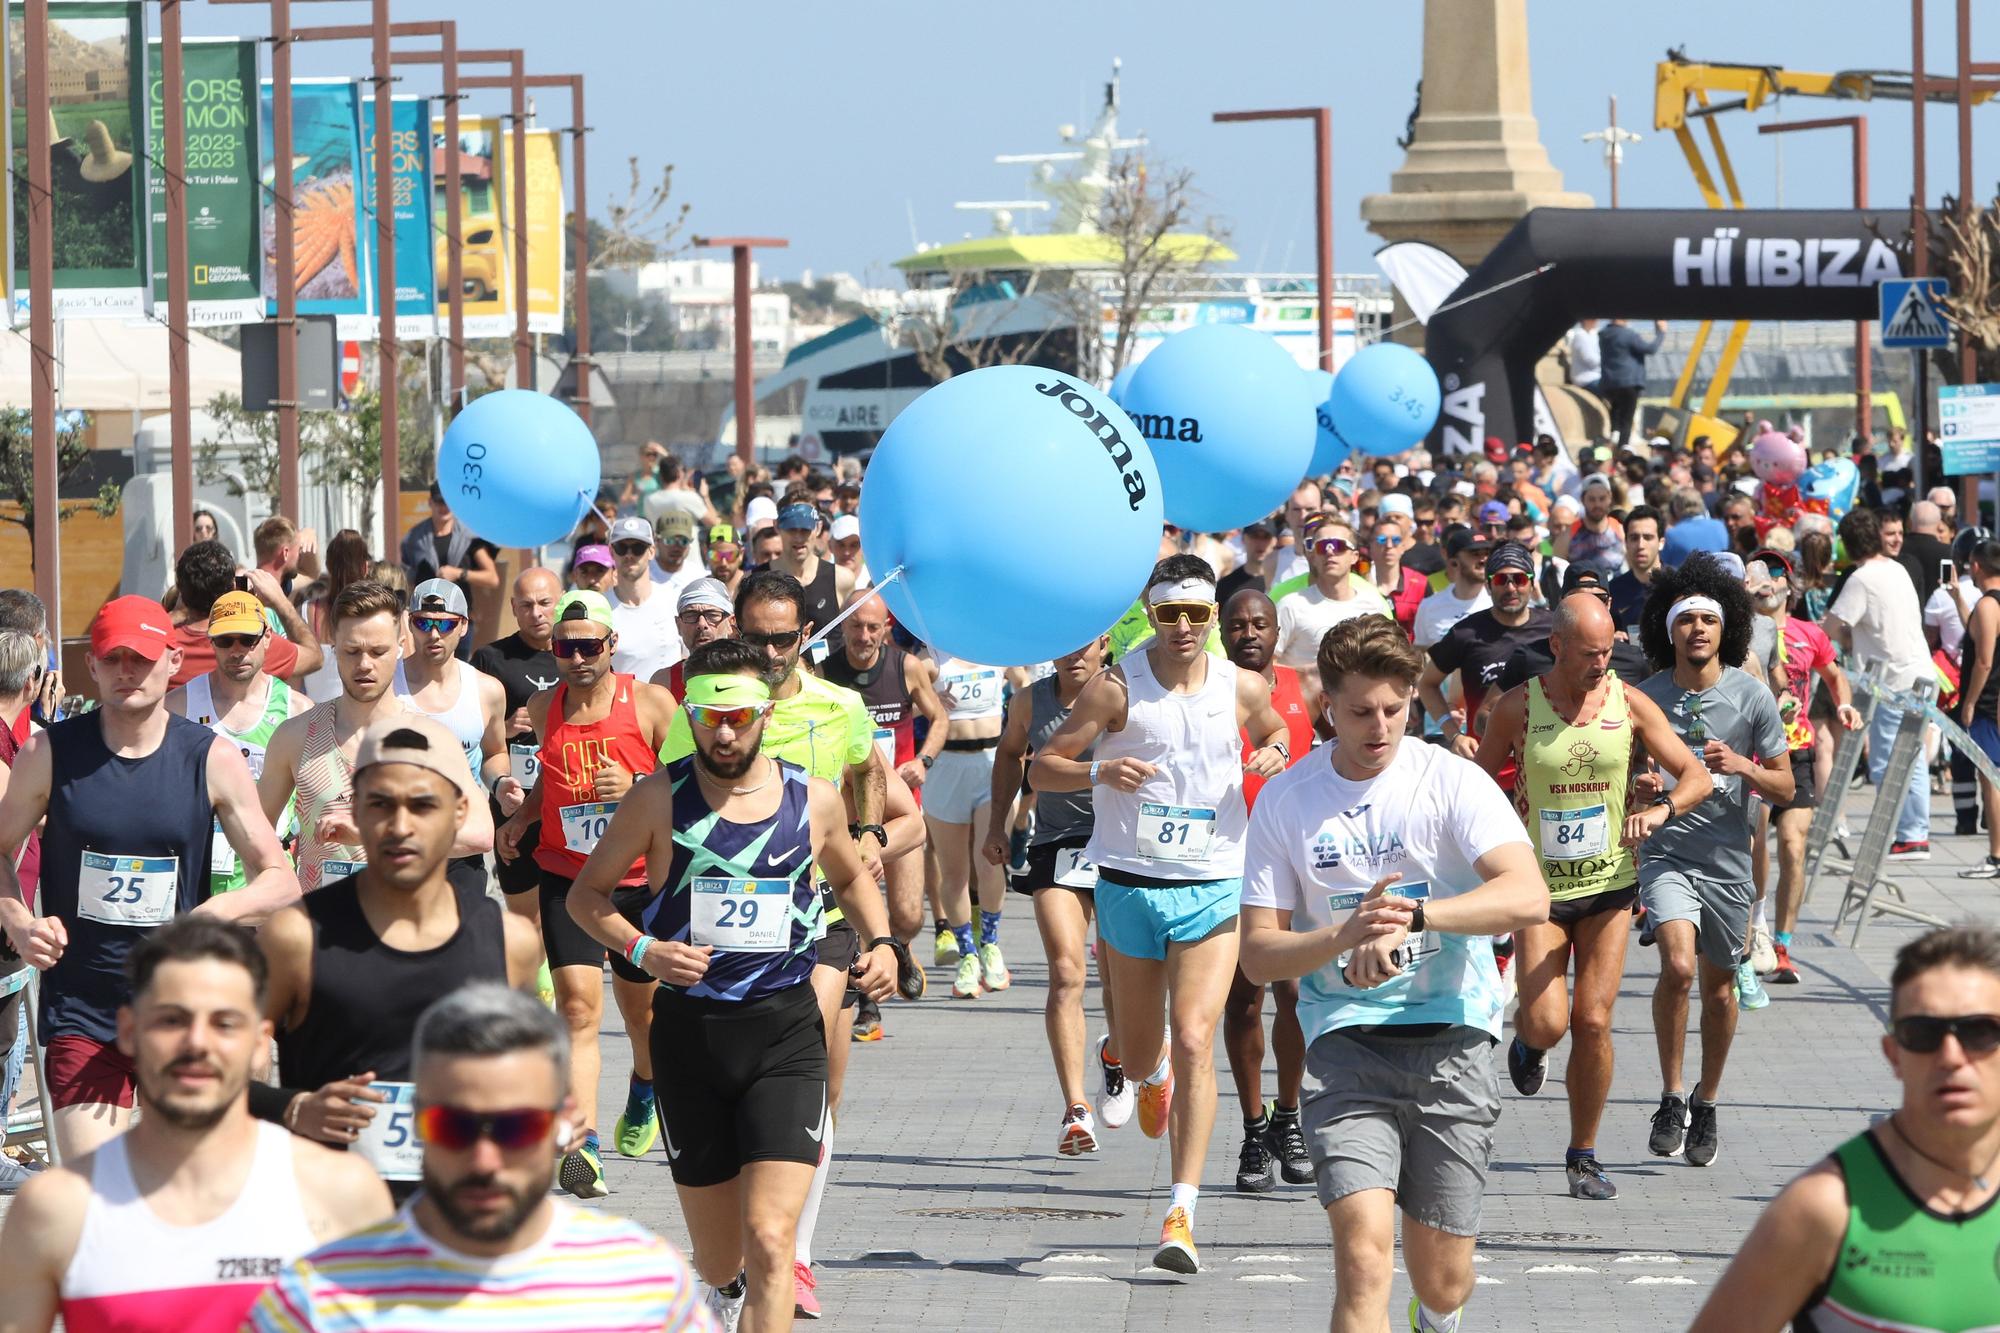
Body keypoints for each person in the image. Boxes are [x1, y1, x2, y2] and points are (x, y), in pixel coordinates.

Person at [569, 639, 898, 1333]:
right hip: (689, 1039)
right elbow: (586, 897)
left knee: (774, 1242)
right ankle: (725, 1288)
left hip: (785, 1032)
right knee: (721, 1260)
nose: (724, 732)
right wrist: (645, 948)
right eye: (709, 717)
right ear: (691, 711)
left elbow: (847, 878)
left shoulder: (814, 799)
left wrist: (886, 941)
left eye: (739, 717)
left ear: (767, 710)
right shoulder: (658, 797)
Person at [1239, 616, 1550, 1333]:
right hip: (1346, 1045)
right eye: (1359, 712)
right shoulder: (1289, 799)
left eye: (1394, 709)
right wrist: (1341, 935)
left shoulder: (1450, 780)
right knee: (1362, 1258)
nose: (1379, 726)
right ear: (1327, 706)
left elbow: (1528, 894)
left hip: (1452, 1040)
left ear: (1412, 697)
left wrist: (1417, 918)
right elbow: (1257, 953)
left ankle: (1435, 1314)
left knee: (1443, 1278)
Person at [1030, 554, 1291, 1274]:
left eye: (1196, 614)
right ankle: (1128, 1061)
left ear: (1212, 617)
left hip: (1213, 883)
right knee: (1149, 1054)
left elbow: (1277, 730)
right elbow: (1041, 764)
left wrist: (1271, 751)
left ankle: (1182, 1210)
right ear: (1149, 613)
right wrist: (1096, 770)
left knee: (1196, 1035)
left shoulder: (1241, 684)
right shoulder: (1117, 689)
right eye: (1169, 613)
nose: (1183, 627)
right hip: (1129, 883)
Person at [654, 573, 891, 1320]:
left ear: (805, 635)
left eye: (783, 639)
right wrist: (645, 940)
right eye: (754, 637)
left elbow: (866, 772)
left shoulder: (840, 704)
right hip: (709, 971)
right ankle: (739, 1262)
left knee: (810, 1043)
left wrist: (870, 837)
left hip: (814, 919)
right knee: (724, 1250)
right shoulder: (702, 716)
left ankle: (792, 1244)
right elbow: (660, 807)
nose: (770, 651)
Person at [0, 597, 300, 1157]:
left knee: (187, 1188)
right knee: (100, 1191)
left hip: (183, 1007)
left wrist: (214, 914)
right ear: (91, 666)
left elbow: (280, 880)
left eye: (139, 658)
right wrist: (16, 917)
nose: (125, 672)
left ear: (170, 661)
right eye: (111, 658)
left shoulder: (210, 757)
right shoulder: (48, 752)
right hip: (84, 1009)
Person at [0, 916, 392, 1333]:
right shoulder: (56, 1209)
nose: (197, 1044)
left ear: (261, 1042)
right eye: (172, 1020)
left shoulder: (342, 1193)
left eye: (224, 1023)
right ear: (129, 1031)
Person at [249, 984, 715, 1333]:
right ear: (414, 1120)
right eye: (454, 1128)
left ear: (568, 1122)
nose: (485, 1160)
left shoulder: (645, 1286)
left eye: (517, 1128)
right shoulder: (318, 1299)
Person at [1475, 592, 1710, 1201]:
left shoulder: (1628, 704)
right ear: (1556, 646)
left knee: (1594, 1020)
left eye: (1607, 652)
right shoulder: (1516, 708)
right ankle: (1528, 1043)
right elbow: (1475, 793)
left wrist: (1659, 810)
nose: (1600, 664)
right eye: (1587, 654)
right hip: (1540, 889)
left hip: (1609, 884)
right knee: (1550, 1023)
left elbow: (1698, 776)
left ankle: (1583, 1155)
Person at [255, 716, 541, 1195]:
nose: (400, 826)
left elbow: (523, 1082)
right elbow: (211, 1081)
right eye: (380, 805)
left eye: (422, 805)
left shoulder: (510, 941)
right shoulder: (296, 935)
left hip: (461, 1228)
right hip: (336, 1230)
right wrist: (295, 1108)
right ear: (357, 814)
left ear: (458, 813)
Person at [1691, 926, 2000, 1333]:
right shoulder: (1823, 1208)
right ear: (1893, 1055)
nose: (1951, 1057)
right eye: (1923, 1034)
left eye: (1980, 1032)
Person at [494, 589, 675, 1200]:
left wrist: (639, 783)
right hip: (569, 877)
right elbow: (548, 773)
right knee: (576, 1007)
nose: (577, 657)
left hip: (636, 883)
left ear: (611, 646)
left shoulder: (650, 703)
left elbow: (691, 783)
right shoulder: (544, 705)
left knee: (641, 1011)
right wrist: (523, 822)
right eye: (566, 647)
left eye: (589, 645)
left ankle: (646, 1082)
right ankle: (583, 1145)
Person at [1631, 556, 1791, 1169]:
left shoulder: (1751, 696)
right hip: (1667, 854)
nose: (1697, 629)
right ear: (1667, 630)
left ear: (1726, 630)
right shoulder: (1646, 697)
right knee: (1676, 965)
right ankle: (1671, 1095)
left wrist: (1744, 767)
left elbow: (1785, 789)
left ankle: (1708, 1101)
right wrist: (1641, 794)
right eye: (1685, 620)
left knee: (1720, 993)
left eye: (1708, 619)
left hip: (1729, 860)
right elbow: (1623, 780)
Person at [260, 582, 494, 898]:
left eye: (378, 651)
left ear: (400, 646)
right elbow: (255, 833)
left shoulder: (430, 738)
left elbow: (480, 833)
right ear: (333, 646)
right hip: (324, 930)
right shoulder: (296, 735)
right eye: (352, 651)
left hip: (405, 931)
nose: (365, 664)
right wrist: (279, 892)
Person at [986, 633, 1122, 1156]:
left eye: (1086, 643)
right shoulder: (1030, 699)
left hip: (1120, 846)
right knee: (1067, 972)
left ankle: (1117, 1053)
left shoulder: (1125, 692)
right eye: (1064, 644)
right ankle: (1075, 1107)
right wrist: (998, 826)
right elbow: (1008, 757)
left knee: (1116, 975)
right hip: (1057, 844)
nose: (1075, 654)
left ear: (1105, 645)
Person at [1219, 588, 1316, 1193]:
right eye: (1237, 625)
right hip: (1229, 861)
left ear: (1278, 631)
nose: (1249, 633)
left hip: (1295, 863)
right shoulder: (1205, 689)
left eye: (1260, 624)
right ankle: (1254, 1130)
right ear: (1221, 633)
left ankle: (1290, 1119)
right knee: (1243, 1003)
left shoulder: (1303, 686)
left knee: (1297, 995)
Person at [1749, 549, 1862, 983]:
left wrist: (1845, 705)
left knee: (1794, 847)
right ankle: (1754, 927)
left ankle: (1782, 946)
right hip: (1755, 756)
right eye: (1759, 571)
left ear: (1788, 585)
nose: (1768, 579)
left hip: (1797, 752)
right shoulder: (1736, 633)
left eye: (1776, 571)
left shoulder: (1809, 633)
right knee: (1756, 846)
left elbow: (1835, 677)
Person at [823, 587, 946, 953]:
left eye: (873, 628)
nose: (864, 636)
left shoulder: (905, 666)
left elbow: (939, 718)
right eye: (856, 626)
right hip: (849, 809)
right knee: (853, 910)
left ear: (886, 626)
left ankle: (897, 947)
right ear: (843, 625)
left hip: (898, 808)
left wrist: (922, 761)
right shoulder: (824, 675)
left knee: (909, 915)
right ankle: (867, 989)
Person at [166, 591, 312, 897]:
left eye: (248, 639)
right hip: (198, 881)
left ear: (268, 637)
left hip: (268, 882)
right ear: (210, 641)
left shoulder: (296, 711)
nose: (237, 651)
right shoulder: (178, 706)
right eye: (225, 640)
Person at [393, 579, 513, 900]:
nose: (433, 634)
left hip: (462, 848)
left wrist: (500, 783)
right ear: (409, 623)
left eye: (445, 624)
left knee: (460, 944)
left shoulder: (486, 690)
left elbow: (494, 752)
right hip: (400, 844)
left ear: (463, 626)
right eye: (423, 622)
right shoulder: (387, 685)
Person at [1826, 506, 1934, 858]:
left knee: (1890, 760)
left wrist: (1845, 639)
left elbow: (1831, 627)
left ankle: (1911, 834)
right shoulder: (1896, 568)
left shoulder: (1861, 579)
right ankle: (1914, 832)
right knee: (1911, 757)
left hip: (1892, 681)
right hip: (1918, 671)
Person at [922, 646, 1013, 998]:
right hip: (947, 766)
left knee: (989, 860)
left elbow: (1030, 683)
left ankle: (990, 944)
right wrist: (929, 700)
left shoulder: (999, 651)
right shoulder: (933, 656)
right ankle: (967, 954)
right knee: (954, 871)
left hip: (991, 763)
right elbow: (907, 696)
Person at [471, 568, 563, 917]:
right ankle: (533, 970)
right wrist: (505, 729)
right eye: (526, 605)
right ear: (512, 607)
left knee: (569, 903)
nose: (536, 613)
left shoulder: (578, 654)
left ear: (561, 602)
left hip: (566, 795)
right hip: (514, 794)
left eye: (544, 603)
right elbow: (473, 729)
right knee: (525, 910)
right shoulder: (491, 658)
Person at [1420, 542, 1552, 760]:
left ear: (1531, 583)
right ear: (1488, 586)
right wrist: (1453, 735)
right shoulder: (1466, 633)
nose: (1511, 588)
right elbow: (1427, 684)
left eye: (1518, 579)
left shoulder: (1553, 628)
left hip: (1544, 765)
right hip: (1487, 765)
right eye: (1501, 580)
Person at [167, 540, 322, 688]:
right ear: (232, 586)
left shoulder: (166, 648)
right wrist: (280, 602)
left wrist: (173, 614)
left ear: (181, 590)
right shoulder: (250, 642)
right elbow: (314, 657)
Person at [1274, 519, 1389, 671]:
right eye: (1322, 546)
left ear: (1354, 556)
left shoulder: (1373, 605)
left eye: (1339, 545)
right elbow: (1268, 664)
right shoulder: (1290, 605)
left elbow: (1385, 661)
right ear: (1313, 557)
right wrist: (1309, 674)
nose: (1330, 551)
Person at [1956, 540, 2000, 879]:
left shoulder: (1988, 605)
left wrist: (1969, 703)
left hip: (1987, 703)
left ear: (1978, 566)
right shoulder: (1986, 606)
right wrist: (1957, 596)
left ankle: (1996, 855)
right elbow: (1973, 631)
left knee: (1991, 779)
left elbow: (1983, 661)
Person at [399, 481, 500, 620]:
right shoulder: (414, 538)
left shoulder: (469, 537)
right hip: (424, 616)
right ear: (430, 502)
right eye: (440, 502)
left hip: (459, 616)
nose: (444, 507)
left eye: (448, 502)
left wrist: (458, 573)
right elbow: (406, 580)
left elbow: (492, 578)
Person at [606, 516, 685, 683]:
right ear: (611, 552)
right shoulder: (601, 607)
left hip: (671, 706)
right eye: (621, 548)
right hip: (622, 706)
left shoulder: (674, 599)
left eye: (638, 548)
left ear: (651, 551)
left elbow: (688, 656)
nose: (629, 555)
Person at [772, 502, 847, 635]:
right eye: (791, 529)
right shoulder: (756, 579)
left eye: (805, 530)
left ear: (818, 528)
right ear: (777, 527)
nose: (798, 538)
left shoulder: (841, 579)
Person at [1412, 528, 1492, 651]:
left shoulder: (1497, 603)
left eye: (1487, 553)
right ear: (1454, 562)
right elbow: (1421, 653)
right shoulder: (1429, 607)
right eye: (1475, 553)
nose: (1483, 560)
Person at [1596, 318, 1668, 445]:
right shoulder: (1627, 335)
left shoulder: (1604, 335)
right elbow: (1651, 349)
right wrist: (1661, 333)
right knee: (1626, 420)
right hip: (1629, 383)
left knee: (1616, 415)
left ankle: (1613, 441)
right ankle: (1622, 449)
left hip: (1609, 383)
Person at [1606, 504, 1668, 635]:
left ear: (1661, 542)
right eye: (1634, 538)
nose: (1640, 545)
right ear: (1626, 543)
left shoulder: (1678, 585)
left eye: (1648, 537)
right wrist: (1612, 639)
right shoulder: (1613, 590)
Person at [1661, 487, 1730, 568]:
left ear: (1676, 507)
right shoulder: (1720, 526)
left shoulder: (1672, 534)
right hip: (1721, 578)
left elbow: (1664, 563)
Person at [650, 510, 709, 603]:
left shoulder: (699, 578)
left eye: (684, 541)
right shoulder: (643, 574)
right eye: (669, 541)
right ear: (657, 541)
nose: (676, 547)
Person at [1566, 317, 1602, 389]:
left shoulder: (1593, 334)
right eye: (1594, 318)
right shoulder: (1580, 336)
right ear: (1586, 320)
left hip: (1595, 376)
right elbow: (1590, 360)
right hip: (1586, 379)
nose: (1597, 321)